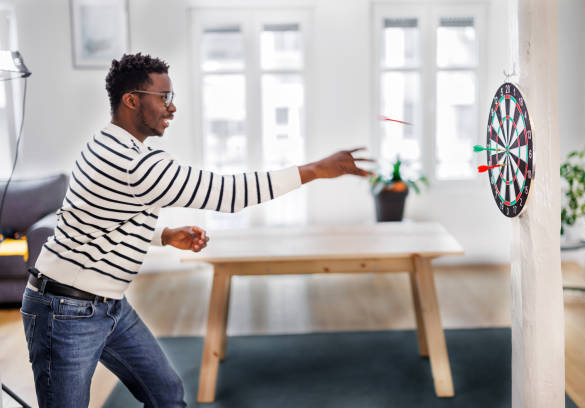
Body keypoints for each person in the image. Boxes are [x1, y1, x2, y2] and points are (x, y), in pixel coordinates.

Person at [19, 53, 373, 407]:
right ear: (131, 100)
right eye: (164, 98)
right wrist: (315, 170)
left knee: (167, 394)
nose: (172, 108)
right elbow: (230, 194)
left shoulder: (101, 144)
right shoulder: (136, 164)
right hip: (64, 310)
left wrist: (164, 235)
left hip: (107, 303)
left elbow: (95, 217)